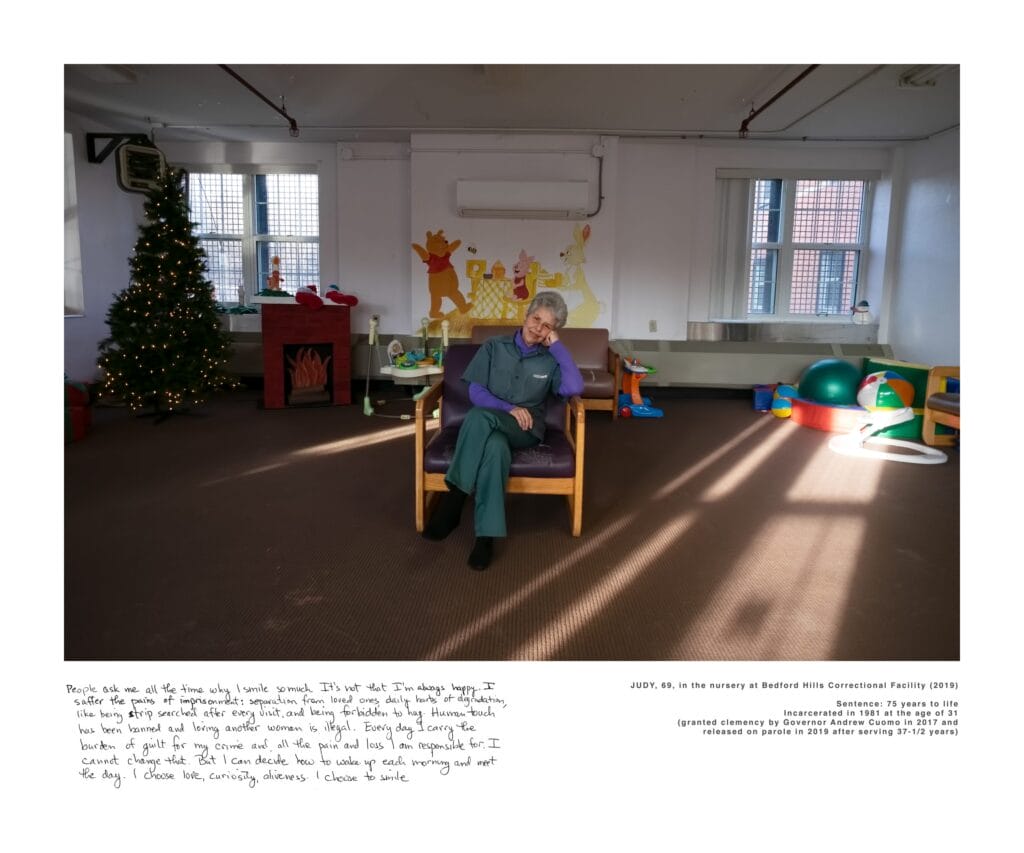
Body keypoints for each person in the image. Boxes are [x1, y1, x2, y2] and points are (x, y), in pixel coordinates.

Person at [422, 291, 584, 570]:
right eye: (536, 318)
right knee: (494, 445)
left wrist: (558, 347)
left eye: (547, 325)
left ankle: (454, 500)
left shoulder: (550, 360)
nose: (538, 328)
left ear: (552, 331)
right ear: (526, 315)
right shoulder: (493, 346)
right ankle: (486, 536)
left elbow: (574, 388)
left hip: (526, 428)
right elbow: (475, 390)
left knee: (479, 419)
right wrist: (508, 407)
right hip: (493, 418)